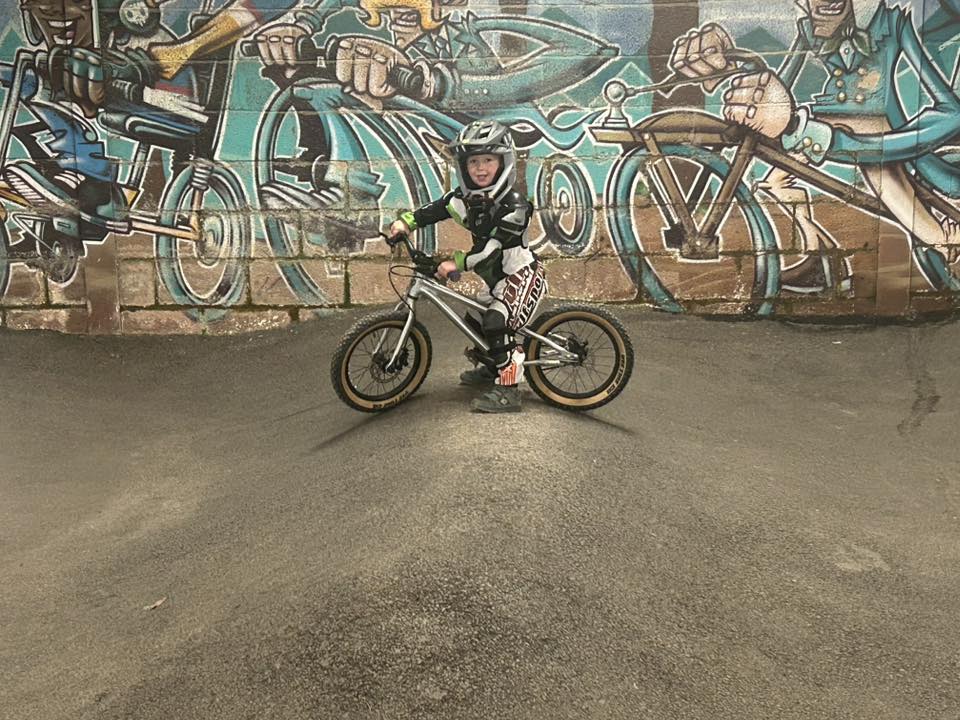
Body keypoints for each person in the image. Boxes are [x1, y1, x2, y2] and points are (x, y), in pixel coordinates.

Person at [389, 120, 547, 414]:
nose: (481, 168)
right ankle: (492, 365)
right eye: (473, 161)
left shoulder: (515, 205)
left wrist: (455, 261)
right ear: (464, 167)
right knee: (474, 316)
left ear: (504, 162)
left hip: (521, 276)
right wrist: (405, 222)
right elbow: (433, 210)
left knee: (497, 322)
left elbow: (488, 250)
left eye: (488, 159)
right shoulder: (464, 199)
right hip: (497, 281)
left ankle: (509, 391)